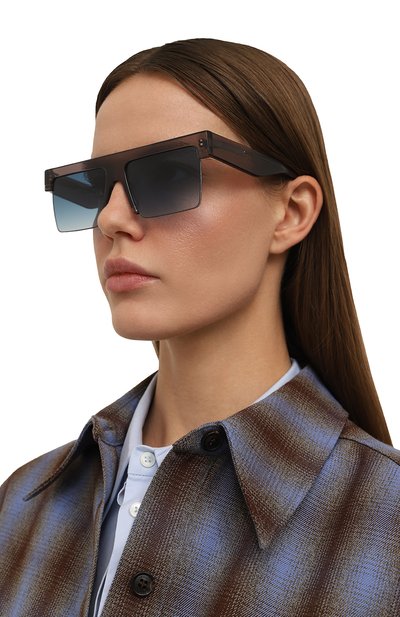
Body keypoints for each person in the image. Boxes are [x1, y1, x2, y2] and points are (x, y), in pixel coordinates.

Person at [0, 37, 399, 617]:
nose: (111, 219)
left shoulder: (386, 525)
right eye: (93, 187)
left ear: (291, 212)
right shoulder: (21, 507)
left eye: (166, 175)